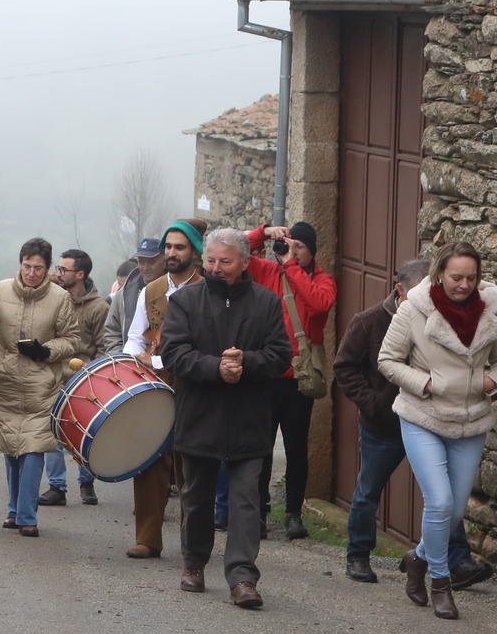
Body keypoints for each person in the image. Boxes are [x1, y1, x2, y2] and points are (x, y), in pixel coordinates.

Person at [377, 240, 497, 621]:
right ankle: (441, 582)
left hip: (471, 421)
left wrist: (493, 382)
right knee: (438, 502)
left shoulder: (490, 311)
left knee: (453, 512)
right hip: (423, 415)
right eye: (456, 277)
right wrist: (424, 384)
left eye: (471, 278)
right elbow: (387, 360)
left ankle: (417, 558)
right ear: (440, 273)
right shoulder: (413, 311)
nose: (463, 285)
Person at [158, 228, 290, 608]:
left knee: (246, 499)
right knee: (196, 497)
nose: (216, 268)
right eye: (211, 260)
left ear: (245, 263)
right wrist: (217, 368)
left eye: (225, 261)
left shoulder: (266, 302)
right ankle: (194, 563)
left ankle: (243, 578)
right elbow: (174, 353)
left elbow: (281, 353)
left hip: (249, 417)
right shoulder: (185, 301)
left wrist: (246, 363)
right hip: (199, 414)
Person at [109, 221, 205, 558]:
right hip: (151, 384)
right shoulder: (151, 290)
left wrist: (159, 362)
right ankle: (148, 538)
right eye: (169, 247)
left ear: (195, 252)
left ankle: (192, 542)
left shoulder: (207, 291)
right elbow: (135, 335)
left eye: (180, 247)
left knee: (190, 464)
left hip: (194, 386)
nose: (172, 253)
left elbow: (204, 347)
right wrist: (127, 365)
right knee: (149, 458)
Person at [0, 238, 86, 537]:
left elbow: (71, 339)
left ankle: (27, 515)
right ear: (20, 264)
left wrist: (47, 351)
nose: (31, 273)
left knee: (35, 447)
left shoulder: (59, 298)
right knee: (11, 447)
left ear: (48, 268)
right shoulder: (0, 291)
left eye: (38, 268)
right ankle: (14, 511)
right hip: (7, 382)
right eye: (27, 266)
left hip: (43, 383)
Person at [242, 221, 336, 541]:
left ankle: (294, 513)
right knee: (261, 447)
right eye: (289, 245)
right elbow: (236, 250)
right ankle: (259, 512)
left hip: (299, 379)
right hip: (266, 375)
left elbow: (319, 304)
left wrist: (291, 266)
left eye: (300, 248)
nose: (291, 252)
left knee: (296, 449)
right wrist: (264, 233)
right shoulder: (268, 272)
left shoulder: (322, 280)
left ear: (312, 253)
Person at [41, 249, 108, 507]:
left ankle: (86, 480)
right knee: (53, 431)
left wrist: (91, 371)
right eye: (57, 269)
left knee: (84, 433)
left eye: (63, 270)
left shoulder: (99, 308)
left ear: (80, 274)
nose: (58, 274)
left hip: (84, 378)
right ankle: (57, 486)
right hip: (53, 373)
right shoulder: (54, 298)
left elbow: (104, 347)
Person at [103, 238, 167, 355]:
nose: (145, 267)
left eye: (151, 262)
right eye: (141, 262)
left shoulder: (174, 289)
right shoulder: (123, 293)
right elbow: (112, 332)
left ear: (164, 262)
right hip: (130, 365)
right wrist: (121, 359)